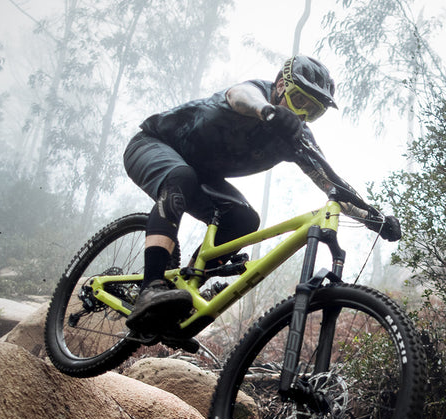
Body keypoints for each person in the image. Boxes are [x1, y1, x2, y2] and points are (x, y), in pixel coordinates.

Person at [122, 54, 397, 335]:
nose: (302, 113)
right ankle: (150, 288)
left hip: (200, 175)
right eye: (299, 100)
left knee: (244, 221)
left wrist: (371, 217)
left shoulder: (295, 136)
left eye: (312, 111)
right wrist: (267, 111)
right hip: (152, 144)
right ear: (280, 85)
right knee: (182, 177)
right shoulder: (255, 95)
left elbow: (331, 184)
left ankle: (182, 291)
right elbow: (238, 95)